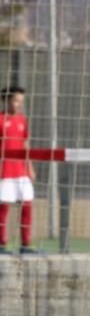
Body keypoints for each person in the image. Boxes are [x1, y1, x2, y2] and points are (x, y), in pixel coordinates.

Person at [0, 86, 37, 255]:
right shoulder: (1, 119)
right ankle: (2, 244)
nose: (19, 105)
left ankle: (26, 244)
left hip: (21, 171)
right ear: (6, 100)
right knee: (3, 207)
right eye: (16, 101)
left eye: (21, 102)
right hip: (4, 172)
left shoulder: (22, 120)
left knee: (27, 204)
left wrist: (29, 167)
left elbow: (25, 144)